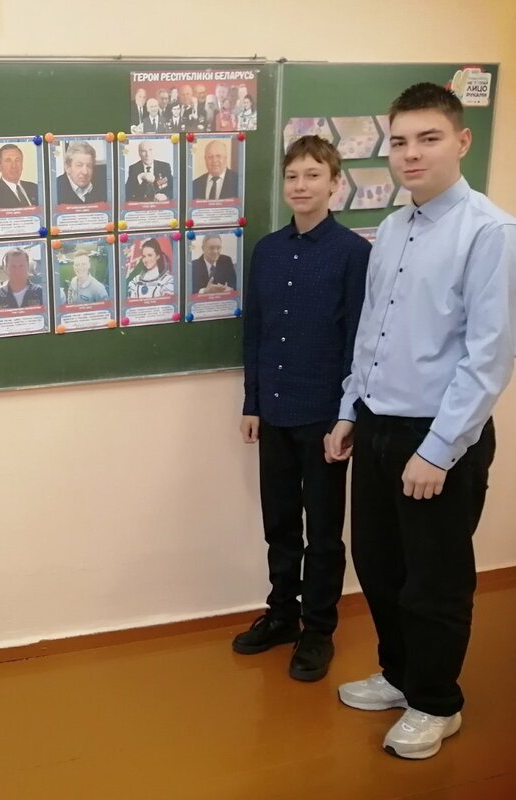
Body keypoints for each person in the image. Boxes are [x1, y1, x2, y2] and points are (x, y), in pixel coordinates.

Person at [325, 83, 515, 760]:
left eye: (427, 138)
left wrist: (438, 450)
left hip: (437, 436)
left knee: (433, 581)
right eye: (399, 141)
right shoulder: (392, 228)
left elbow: (489, 356)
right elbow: (370, 331)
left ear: (461, 141)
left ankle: (436, 703)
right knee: (378, 567)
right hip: (377, 425)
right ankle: (400, 675)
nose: (410, 154)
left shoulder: (489, 233)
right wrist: (349, 409)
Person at [234, 135, 370, 683]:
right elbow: (255, 332)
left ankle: (318, 631)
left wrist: (347, 416)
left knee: (325, 534)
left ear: (335, 184)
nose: (301, 185)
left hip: (324, 420)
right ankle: (282, 615)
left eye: (313, 175)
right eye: (292, 176)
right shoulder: (267, 251)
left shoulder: (354, 253)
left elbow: (358, 342)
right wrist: (252, 401)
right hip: (273, 411)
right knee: (280, 523)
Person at [0, 143, 39, 208]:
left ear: (22, 164)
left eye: (17, 160)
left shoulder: (34, 188)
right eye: (8, 160)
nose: (14, 166)